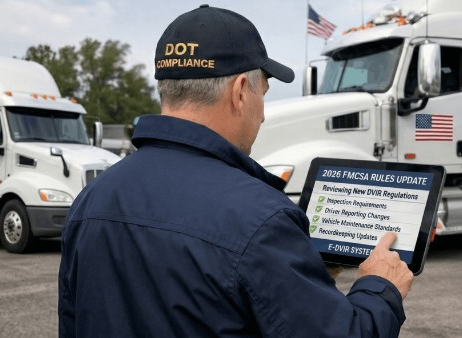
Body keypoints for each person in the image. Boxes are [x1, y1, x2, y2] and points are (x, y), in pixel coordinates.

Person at [58, 5, 412, 337]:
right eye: (265, 94)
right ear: (241, 91)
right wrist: (380, 287)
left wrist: (302, 270)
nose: (262, 114)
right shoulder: (261, 219)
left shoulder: (92, 200)